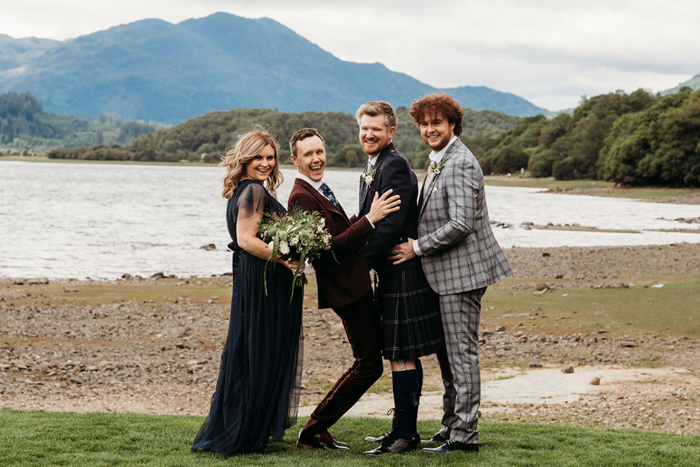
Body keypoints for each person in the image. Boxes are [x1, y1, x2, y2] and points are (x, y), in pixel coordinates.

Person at [389, 92, 512, 454]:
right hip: (446, 275)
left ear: (453, 124)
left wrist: (416, 247)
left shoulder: (458, 162)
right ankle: (450, 425)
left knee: (461, 357)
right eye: (424, 124)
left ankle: (464, 437)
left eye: (436, 122)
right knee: (448, 358)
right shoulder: (439, 159)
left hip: (462, 276)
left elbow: (461, 223)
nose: (429, 129)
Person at [192, 129, 305, 456]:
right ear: (246, 158)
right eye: (259, 157)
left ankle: (246, 428)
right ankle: (244, 430)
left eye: (271, 158)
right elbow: (246, 239)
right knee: (258, 350)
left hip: (253, 279)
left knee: (250, 349)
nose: (266, 164)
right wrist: (286, 259)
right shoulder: (253, 190)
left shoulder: (244, 190)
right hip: (261, 283)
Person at [287, 127, 401, 451]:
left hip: (355, 282)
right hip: (345, 288)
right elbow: (326, 254)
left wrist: (364, 215)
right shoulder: (300, 196)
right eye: (308, 154)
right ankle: (313, 430)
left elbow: (333, 231)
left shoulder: (318, 187)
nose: (316, 158)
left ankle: (317, 429)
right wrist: (370, 221)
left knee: (369, 362)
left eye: (319, 151)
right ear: (294, 159)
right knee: (368, 364)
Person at [354, 101, 446, 456]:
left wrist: (358, 264)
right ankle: (401, 430)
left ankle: (405, 435)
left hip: (403, 271)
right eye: (364, 128)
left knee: (403, 354)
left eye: (376, 129)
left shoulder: (393, 166)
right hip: (392, 272)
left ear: (391, 132)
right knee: (397, 353)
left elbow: (388, 226)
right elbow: (370, 219)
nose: (369, 134)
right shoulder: (375, 164)